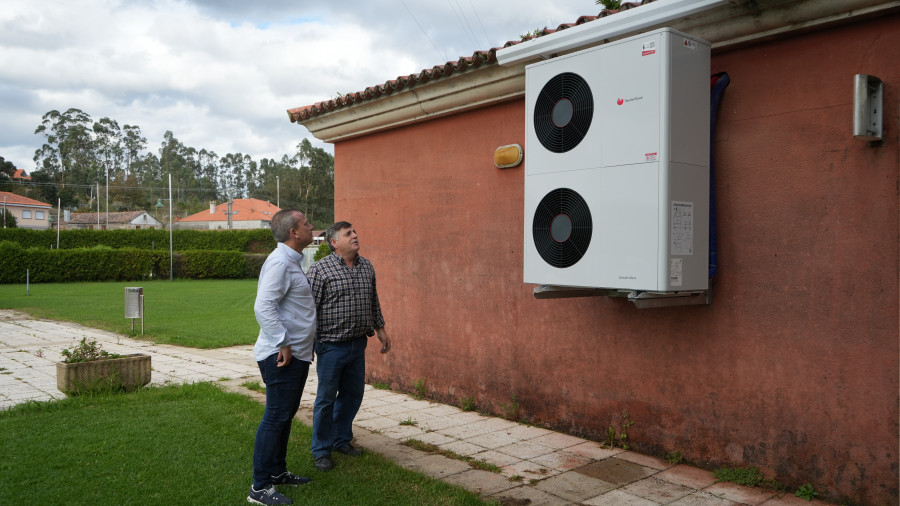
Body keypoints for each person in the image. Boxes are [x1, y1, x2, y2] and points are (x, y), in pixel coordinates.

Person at [308, 221, 391, 472]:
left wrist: (381, 329)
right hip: (331, 346)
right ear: (334, 242)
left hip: (358, 344)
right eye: (348, 234)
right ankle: (321, 450)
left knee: (353, 395)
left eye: (355, 232)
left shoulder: (366, 266)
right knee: (325, 399)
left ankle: (341, 440)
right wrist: (306, 345)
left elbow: (372, 300)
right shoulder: (320, 270)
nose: (355, 235)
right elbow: (308, 310)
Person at [248, 209, 316, 506]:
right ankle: (259, 489)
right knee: (275, 418)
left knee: (284, 416)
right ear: (294, 233)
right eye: (306, 223)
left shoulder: (291, 261)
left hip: (296, 354)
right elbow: (263, 307)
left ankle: (277, 473)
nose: (311, 226)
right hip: (282, 356)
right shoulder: (279, 262)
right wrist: (284, 343)